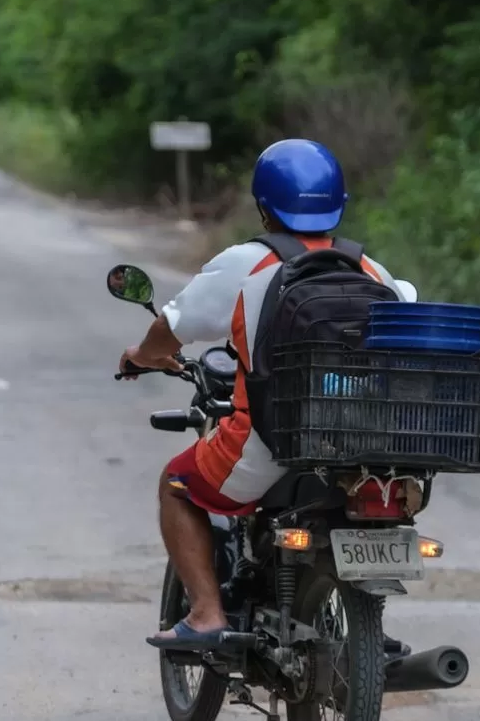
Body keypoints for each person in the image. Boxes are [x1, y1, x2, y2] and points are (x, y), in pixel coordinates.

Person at [119, 139, 414, 647]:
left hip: (272, 442)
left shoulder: (247, 264)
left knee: (176, 485)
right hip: (364, 446)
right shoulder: (371, 271)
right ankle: (369, 628)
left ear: (263, 206)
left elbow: (172, 329)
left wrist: (142, 356)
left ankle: (209, 613)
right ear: (338, 203)